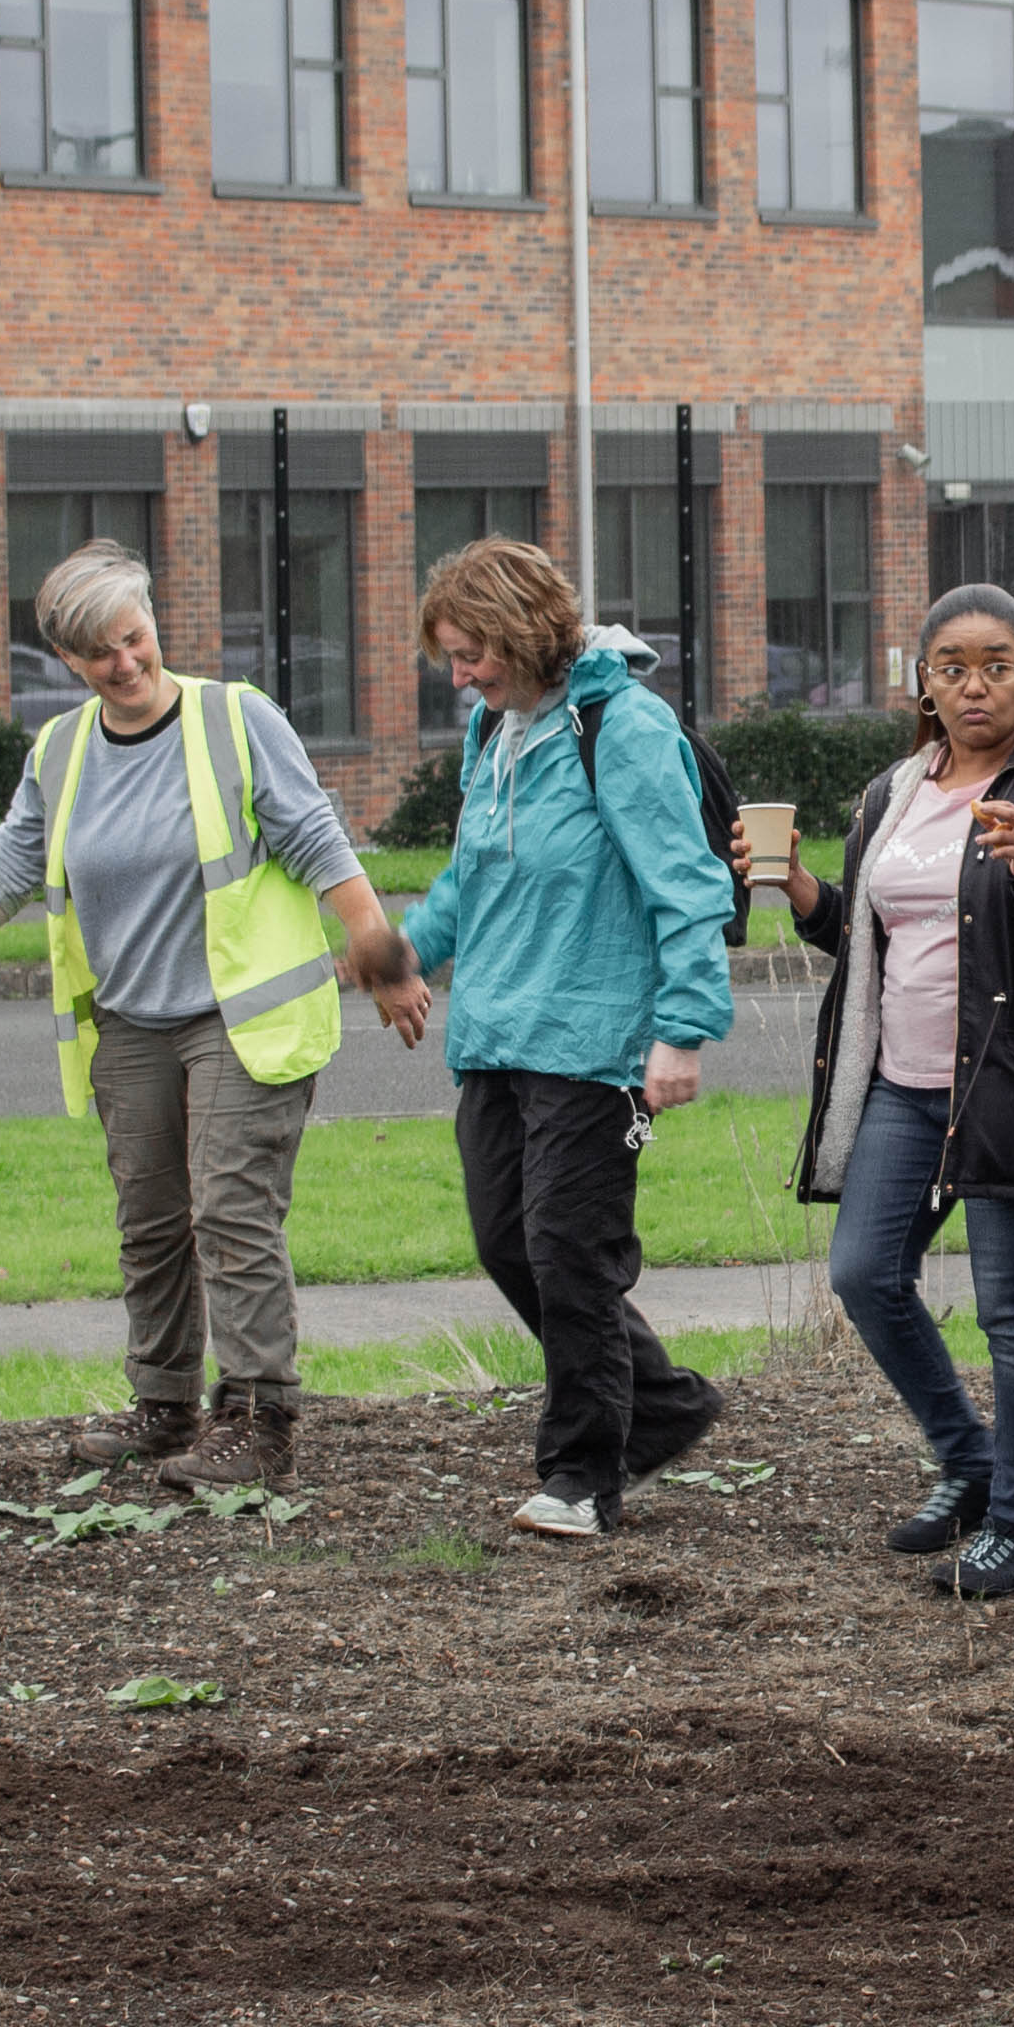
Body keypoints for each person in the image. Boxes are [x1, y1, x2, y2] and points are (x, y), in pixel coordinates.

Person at [0, 546, 401, 1490]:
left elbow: (316, 834)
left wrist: (377, 944)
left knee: (231, 1212)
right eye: (98, 653)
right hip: (130, 1024)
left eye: (134, 638)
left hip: (242, 1018)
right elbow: (8, 866)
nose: (125, 663)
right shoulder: (62, 751)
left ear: (154, 622)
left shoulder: (234, 719)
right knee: (152, 1223)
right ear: (67, 660)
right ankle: (165, 1409)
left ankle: (259, 1418)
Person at [760, 583, 1014, 1604]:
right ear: (921, 680)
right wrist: (802, 894)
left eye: (997, 664)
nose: (975, 686)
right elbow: (867, 942)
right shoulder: (895, 791)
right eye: (952, 667)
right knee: (866, 1273)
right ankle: (968, 1459)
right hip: (904, 1086)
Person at [370, 535, 738, 1540]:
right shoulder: (497, 736)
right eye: (449, 657)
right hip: (496, 1036)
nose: (460, 676)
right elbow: (469, 879)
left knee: (571, 1253)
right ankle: (658, 1406)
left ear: (525, 633)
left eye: (472, 653)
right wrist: (405, 954)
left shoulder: (619, 727)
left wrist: (684, 1030)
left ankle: (581, 1474)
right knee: (507, 1244)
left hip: (594, 1042)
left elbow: (688, 884)